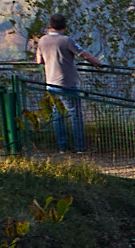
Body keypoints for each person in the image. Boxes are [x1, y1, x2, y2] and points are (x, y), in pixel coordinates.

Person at [30, 13, 102, 152]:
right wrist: (98, 63)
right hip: (67, 82)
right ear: (64, 26)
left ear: (50, 26)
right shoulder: (66, 40)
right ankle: (80, 146)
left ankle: (62, 147)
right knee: (75, 114)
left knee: (58, 115)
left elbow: (39, 61)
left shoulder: (43, 41)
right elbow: (84, 55)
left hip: (50, 83)